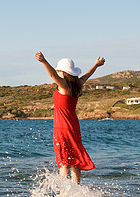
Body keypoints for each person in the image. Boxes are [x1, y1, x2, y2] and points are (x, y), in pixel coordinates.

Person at [35, 51, 105, 184]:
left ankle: (64, 192)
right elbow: (88, 75)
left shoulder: (64, 85)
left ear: (62, 71)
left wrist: (44, 61)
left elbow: (52, 74)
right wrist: (96, 65)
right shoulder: (77, 84)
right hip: (73, 125)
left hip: (61, 127)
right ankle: (76, 188)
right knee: (74, 157)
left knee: (63, 160)